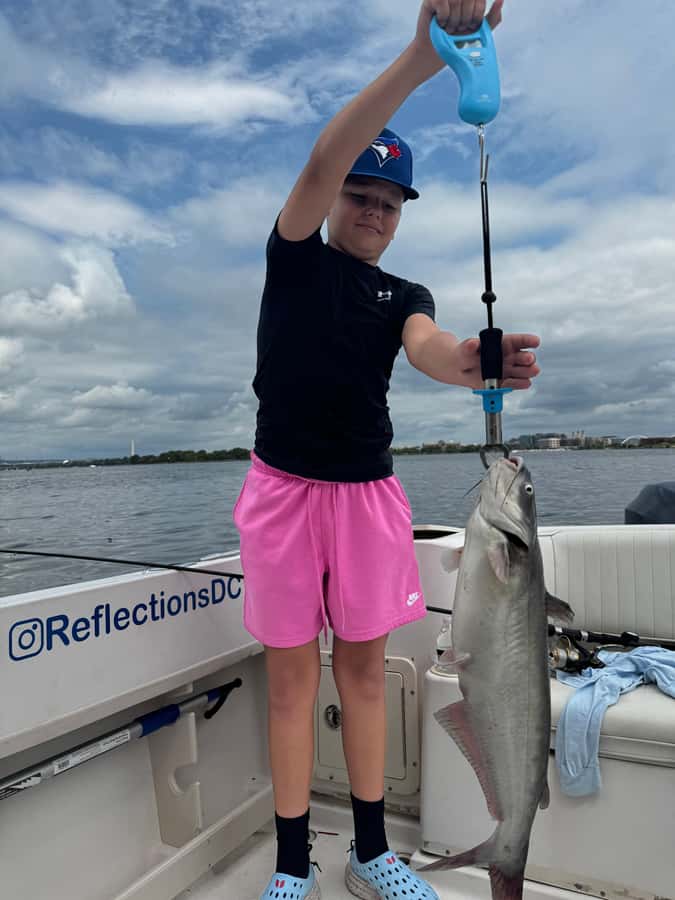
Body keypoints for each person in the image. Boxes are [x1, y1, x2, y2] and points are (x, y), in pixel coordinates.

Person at [233, 1, 540, 897]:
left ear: (402, 215)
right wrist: (419, 60)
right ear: (335, 201)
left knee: (364, 674)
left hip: (366, 496)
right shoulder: (293, 255)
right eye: (360, 196)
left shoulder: (402, 290)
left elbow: (429, 348)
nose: (371, 210)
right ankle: (293, 865)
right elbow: (325, 156)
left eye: (388, 202)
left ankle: (372, 852)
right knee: (292, 684)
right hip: (283, 490)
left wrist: (475, 361)